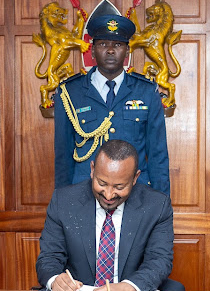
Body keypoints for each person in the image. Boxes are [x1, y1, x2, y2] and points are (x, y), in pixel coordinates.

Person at [37, 139, 183, 291]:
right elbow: (49, 257)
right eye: (102, 183)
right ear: (92, 170)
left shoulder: (157, 205)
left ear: (135, 178)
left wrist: (127, 287)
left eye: (119, 186)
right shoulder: (63, 201)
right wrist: (56, 280)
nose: (108, 194)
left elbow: (159, 261)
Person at [54, 14, 170, 195]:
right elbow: (63, 157)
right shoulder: (70, 92)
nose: (110, 50)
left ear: (127, 51)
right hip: (84, 192)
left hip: (135, 192)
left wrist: (162, 206)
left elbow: (158, 154)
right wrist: (62, 204)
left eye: (117, 45)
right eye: (103, 44)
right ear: (92, 51)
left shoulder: (147, 91)